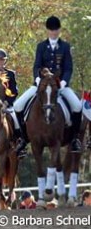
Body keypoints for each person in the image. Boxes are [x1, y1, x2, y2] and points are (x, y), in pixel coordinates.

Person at [14, 16, 82, 154]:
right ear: (47, 31)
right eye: (51, 30)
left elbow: (68, 68)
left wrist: (63, 82)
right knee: (18, 105)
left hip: (60, 86)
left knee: (77, 106)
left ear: (59, 30)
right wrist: (38, 80)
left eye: (55, 30)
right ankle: (23, 138)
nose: (53, 33)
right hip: (42, 85)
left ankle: (75, 139)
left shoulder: (65, 47)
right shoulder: (41, 46)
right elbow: (36, 66)